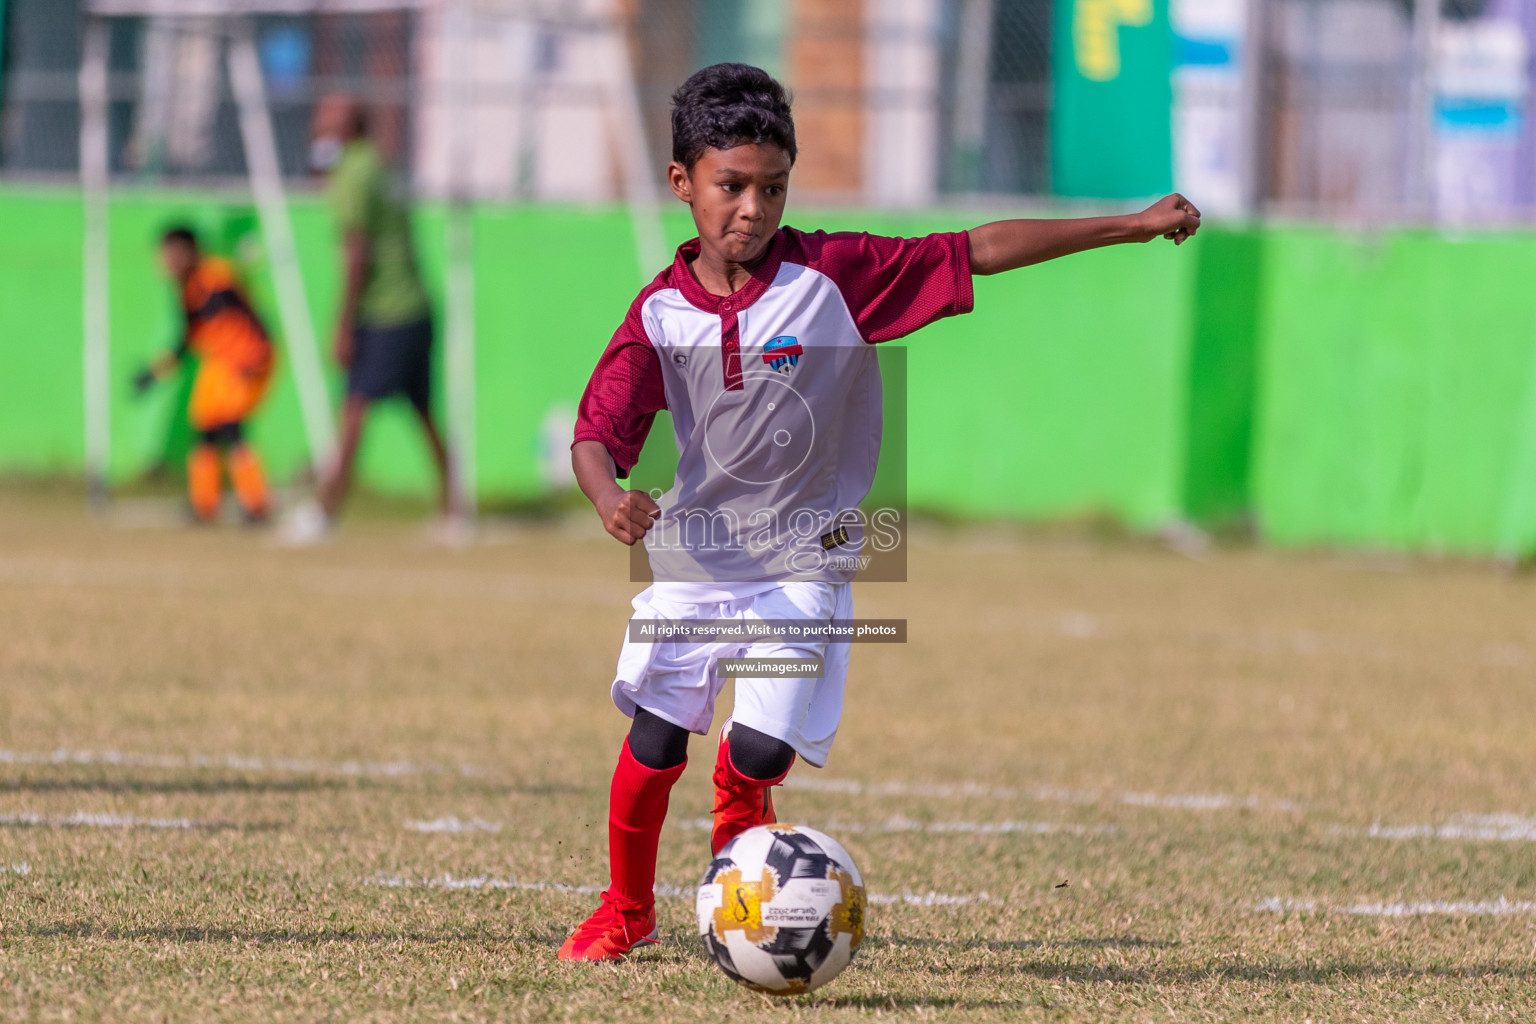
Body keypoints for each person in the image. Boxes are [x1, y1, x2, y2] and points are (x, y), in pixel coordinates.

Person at [560, 62, 1201, 961]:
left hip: (804, 556)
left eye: (772, 188)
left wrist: (1127, 225)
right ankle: (626, 909)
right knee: (656, 738)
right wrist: (606, 497)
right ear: (683, 185)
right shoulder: (661, 314)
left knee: (758, 754)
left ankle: (735, 888)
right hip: (696, 557)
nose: (753, 208)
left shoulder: (832, 276)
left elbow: (971, 249)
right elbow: (596, 432)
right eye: (731, 186)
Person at [285, 94, 456, 543]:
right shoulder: (377, 165)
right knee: (422, 410)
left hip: (385, 310)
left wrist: (343, 322)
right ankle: (453, 508)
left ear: (345, 124)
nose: (317, 119)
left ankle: (324, 512)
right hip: (414, 304)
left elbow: (356, 251)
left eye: (325, 114)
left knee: (355, 409)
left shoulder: (353, 175)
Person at [133, 226, 274, 524]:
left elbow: (245, 313)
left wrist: (258, 356)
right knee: (204, 427)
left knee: (231, 427)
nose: (167, 261)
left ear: (191, 253)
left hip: (243, 360)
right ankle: (205, 504)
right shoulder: (186, 289)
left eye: (173, 253)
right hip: (220, 363)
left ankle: (256, 503)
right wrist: (154, 373)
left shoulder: (214, 277)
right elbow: (186, 340)